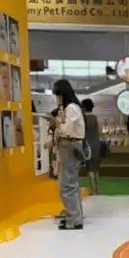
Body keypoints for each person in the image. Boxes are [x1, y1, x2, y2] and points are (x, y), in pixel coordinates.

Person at [53, 79, 85, 230]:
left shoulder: (71, 108)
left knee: (67, 185)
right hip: (71, 146)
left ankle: (74, 219)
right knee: (71, 184)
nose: (57, 99)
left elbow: (66, 130)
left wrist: (58, 123)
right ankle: (74, 215)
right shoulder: (72, 108)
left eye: (57, 95)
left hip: (70, 145)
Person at [81, 98, 102, 195]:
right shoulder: (95, 118)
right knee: (96, 168)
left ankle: (91, 189)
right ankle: (97, 189)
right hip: (96, 144)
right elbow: (98, 132)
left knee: (89, 168)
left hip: (86, 145)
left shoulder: (82, 119)